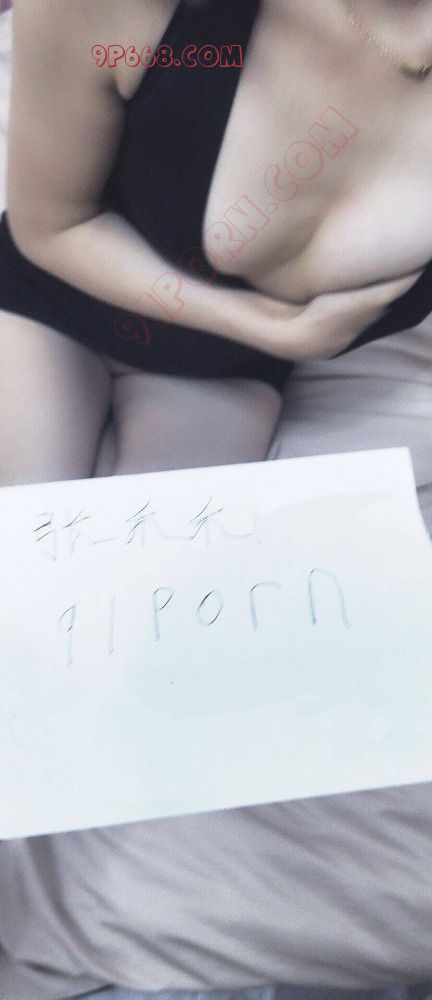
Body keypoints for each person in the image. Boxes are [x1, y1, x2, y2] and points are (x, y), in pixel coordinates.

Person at [0, 2, 432, 999]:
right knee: (17, 598)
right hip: (53, 300)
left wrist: (260, 348)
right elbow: (50, 226)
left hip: (220, 373)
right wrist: (274, 331)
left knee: (126, 659)